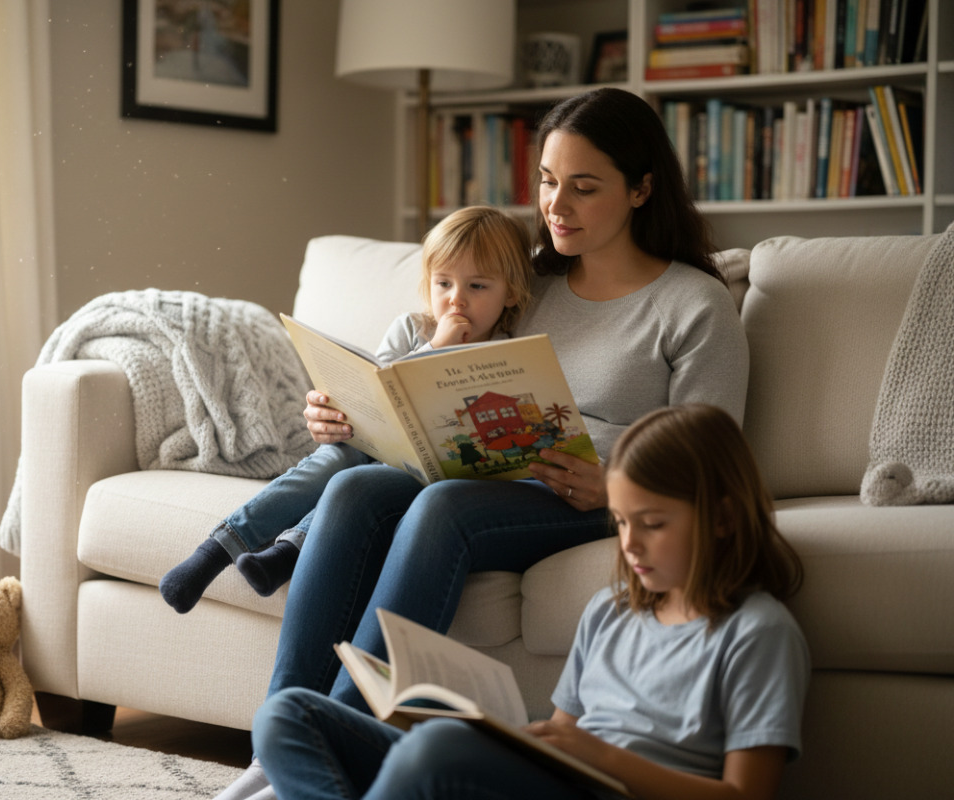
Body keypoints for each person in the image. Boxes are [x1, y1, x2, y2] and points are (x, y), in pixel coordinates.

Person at [215, 86, 751, 800]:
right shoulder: (529, 281)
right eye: (548, 182)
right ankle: (273, 742)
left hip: (595, 495)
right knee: (351, 487)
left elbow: (716, 462)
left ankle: (332, 736)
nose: (555, 207)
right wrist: (349, 414)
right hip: (489, 474)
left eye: (584, 188)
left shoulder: (693, 305)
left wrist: (616, 486)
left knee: (444, 511)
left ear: (642, 189)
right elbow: (431, 363)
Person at [253, 403, 809, 800]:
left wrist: (600, 756)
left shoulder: (756, 632)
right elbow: (562, 735)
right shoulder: (610, 611)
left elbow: (745, 793)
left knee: (435, 752)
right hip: (561, 778)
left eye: (653, 524)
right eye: (619, 523)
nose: (630, 544)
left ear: (724, 519)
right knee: (288, 714)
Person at [159, 205, 534, 613]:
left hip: (438, 474)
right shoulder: (413, 329)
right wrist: (433, 349)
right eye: (443, 283)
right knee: (339, 457)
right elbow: (380, 386)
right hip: (375, 447)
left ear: (510, 292)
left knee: (368, 480)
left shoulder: (509, 354)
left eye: (477, 287)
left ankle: (286, 553)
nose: (455, 300)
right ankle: (216, 550)